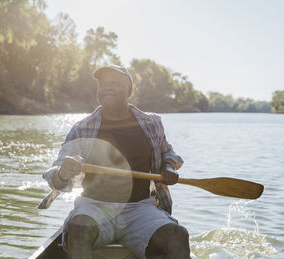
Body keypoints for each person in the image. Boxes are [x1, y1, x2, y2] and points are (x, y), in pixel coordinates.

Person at [43, 65, 190, 259]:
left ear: (129, 91)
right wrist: (63, 172)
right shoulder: (82, 127)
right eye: (103, 84)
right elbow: (56, 176)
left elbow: (168, 153)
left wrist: (168, 167)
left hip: (140, 208)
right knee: (78, 229)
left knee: (177, 235)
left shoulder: (151, 123)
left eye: (114, 83)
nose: (107, 87)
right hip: (94, 206)